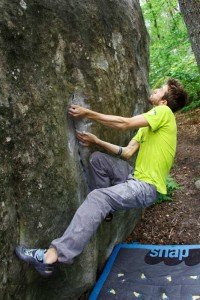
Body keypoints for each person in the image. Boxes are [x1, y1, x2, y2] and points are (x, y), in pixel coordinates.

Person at [15, 79, 187, 277]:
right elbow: (127, 152)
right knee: (98, 160)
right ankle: (103, 212)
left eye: (160, 90)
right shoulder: (147, 127)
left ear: (164, 102)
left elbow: (124, 123)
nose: (155, 90)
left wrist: (88, 113)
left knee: (98, 198)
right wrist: (97, 141)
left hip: (146, 187)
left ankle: (50, 257)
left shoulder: (163, 113)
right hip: (134, 176)